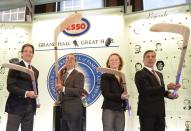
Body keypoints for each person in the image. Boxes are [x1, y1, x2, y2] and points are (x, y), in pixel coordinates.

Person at [135, 50, 181, 131]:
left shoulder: (159, 74)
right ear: (143, 60)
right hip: (147, 113)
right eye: (148, 56)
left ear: (155, 59)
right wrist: (167, 87)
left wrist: (170, 95)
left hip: (160, 112)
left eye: (153, 56)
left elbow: (161, 91)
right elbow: (146, 91)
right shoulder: (140, 74)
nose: (150, 58)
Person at [5, 43, 39, 131]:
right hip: (15, 107)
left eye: (31, 52)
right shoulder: (15, 67)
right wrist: (27, 93)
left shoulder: (35, 71)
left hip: (30, 108)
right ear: (22, 54)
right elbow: (10, 86)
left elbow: (35, 88)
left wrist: (36, 100)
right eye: (26, 51)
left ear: (33, 54)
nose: (28, 53)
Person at [100, 53, 128, 131]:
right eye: (111, 60)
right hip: (109, 109)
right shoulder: (105, 75)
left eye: (116, 60)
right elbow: (105, 94)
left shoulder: (122, 76)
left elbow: (123, 93)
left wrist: (125, 99)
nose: (114, 61)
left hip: (120, 109)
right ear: (108, 63)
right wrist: (120, 96)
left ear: (120, 62)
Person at [56, 53, 85, 131]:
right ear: (65, 62)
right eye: (67, 58)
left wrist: (63, 89)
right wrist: (59, 98)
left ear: (75, 63)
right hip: (63, 112)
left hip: (74, 113)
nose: (69, 59)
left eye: (72, 58)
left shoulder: (79, 75)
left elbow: (78, 91)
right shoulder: (64, 75)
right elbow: (62, 91)